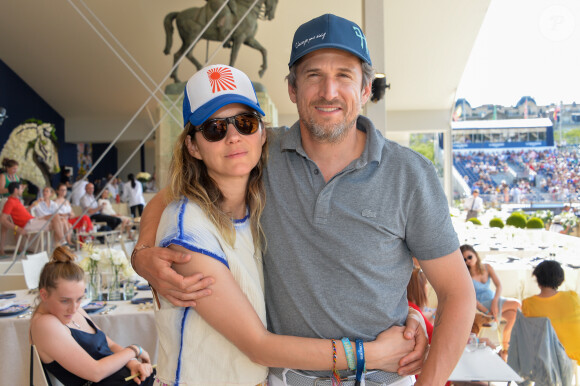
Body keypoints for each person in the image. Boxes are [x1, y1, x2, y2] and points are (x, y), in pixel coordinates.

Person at [134, 14, 475, 385]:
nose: (329, 91)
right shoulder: (260, 151)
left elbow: (457, 294)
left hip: (384, 378)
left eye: (344, 75)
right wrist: (143, 255)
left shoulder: (410, 174)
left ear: (365, 89)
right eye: (314, 75)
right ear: (293, 89)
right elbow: (174, 195)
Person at [149, 64, 419, 385]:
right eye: (214, 129)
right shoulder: (188, 230)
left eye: (246, 123)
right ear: (193, 145)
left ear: (263, 133)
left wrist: (406, 315)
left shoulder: (258, 201)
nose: (234, 137)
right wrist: (369, 354)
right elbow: (258, 346)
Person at [29, 245, 155, 385]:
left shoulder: (72, 310)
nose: (73, 308)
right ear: (44, 295)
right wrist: (134, 350)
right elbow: (96, 373)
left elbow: (110, 345)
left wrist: (133, 364)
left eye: (79, 299)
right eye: (65, 301)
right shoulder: (45, 324)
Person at [461, 244, 521, 359]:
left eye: (469, 257)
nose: (468, 261)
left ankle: (504, 350)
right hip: (483, 305)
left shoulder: (487, 267)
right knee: (517, 304)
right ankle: (522, 335)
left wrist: (495, 303)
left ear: (475, 255)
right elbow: (472, 298)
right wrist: (487, 311)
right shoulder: (465, 275)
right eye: (464, 259)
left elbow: (499, 286)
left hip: (496, 300)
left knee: (513, 316)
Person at [522, 260, 580, 361]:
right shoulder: (572, 297)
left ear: (538, 279)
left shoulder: (528, 304)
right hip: (574, 351)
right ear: (560, 279)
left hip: (546, 355)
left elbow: (527, 333)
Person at [0, 181, 66, 249]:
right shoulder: (10, 202)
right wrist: (17, 229)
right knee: (56, 222)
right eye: (21, 189)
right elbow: (2, 219)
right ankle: (62, 244)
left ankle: (60, 245)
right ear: (16, 190)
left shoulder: (16, 200)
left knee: (56, 218)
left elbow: (22, 213)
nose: (22, 190)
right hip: (28, 224)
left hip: (32, 220)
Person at [0, 158, 21, 254]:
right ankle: (2, 249)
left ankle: (18, 247)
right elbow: (0, 190)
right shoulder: (3, 176)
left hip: (15, 201)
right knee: (5, 226)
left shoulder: (16, 177)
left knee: (17, 224)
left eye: (16, 169)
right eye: (13, 169)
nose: (15, 171)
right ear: (8, 168)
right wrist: (11, 189)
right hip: (5, 201)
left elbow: (19, 192)